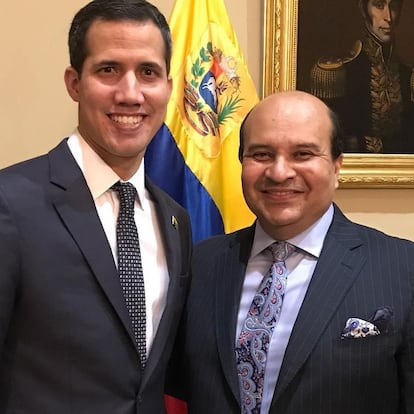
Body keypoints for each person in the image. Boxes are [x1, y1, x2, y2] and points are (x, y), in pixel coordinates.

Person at [167, 90, 414, 413]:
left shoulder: (403, 269)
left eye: (302, 154)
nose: (279, 172)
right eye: (261, 154)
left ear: (337, 166)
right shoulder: (197, 265)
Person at [0, 1, 192, 413]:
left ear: (169, 87)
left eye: (148, 72)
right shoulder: (10, 203)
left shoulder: (175, 219)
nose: (130, 93)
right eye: (108, 70)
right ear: (74, 82)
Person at [310, 0, 414, 153]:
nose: (389, 17)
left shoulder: (407, 74)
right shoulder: (338, 72)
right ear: (364, 9)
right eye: (379, 6)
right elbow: (326, 141)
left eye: (393, 7)